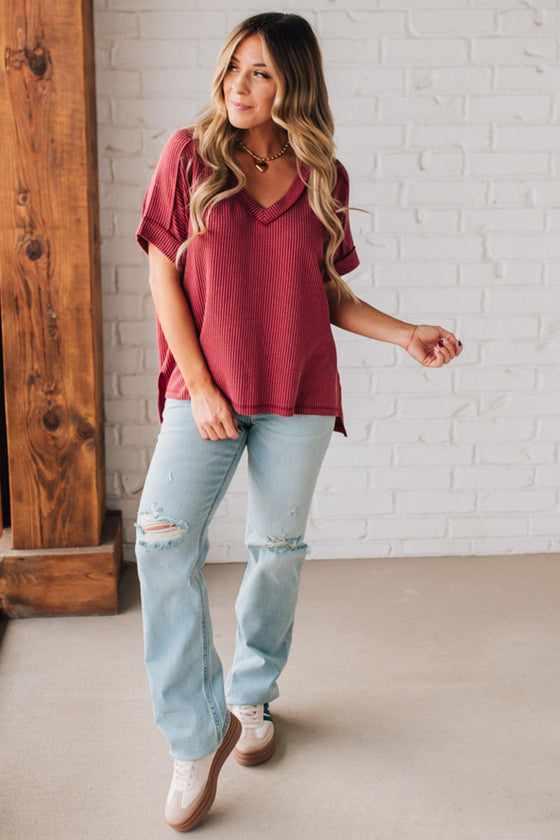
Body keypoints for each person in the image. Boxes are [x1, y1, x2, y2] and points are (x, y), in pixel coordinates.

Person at [135, 11, 462, 833]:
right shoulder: (188, 155)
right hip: (205, 389)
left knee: (276, 552)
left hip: (299, 392)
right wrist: (201, 387)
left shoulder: (324, 174)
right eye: (234, 68)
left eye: (262, 75)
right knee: (163, 541)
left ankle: (251, 697)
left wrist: (406, 333)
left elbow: (329, 296)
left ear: (295, 86)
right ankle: (193, 734)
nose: (239, 88)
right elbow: (163, 279)